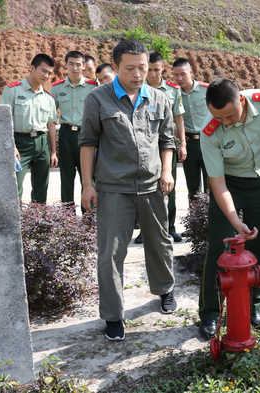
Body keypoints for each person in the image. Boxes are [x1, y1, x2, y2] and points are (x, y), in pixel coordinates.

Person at [78, 39, 178, 341]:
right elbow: (88, 143)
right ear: (116, 66)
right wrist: (86, 185)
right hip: (113, 188)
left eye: (143, 68)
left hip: (152, 185)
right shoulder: (98, 99)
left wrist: (167, 170)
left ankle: (164, 290)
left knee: (160, 243)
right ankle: (112, 315)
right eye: (130, 68)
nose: (137, 74)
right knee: (111, 253)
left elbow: (167, 141)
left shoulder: (159, 99)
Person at [198, 78, 260, 339]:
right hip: (230, 183)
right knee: (220, 245)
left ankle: (256, 305)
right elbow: (218, 185)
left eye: (230, 116)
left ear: (241, 100)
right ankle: (209, 312)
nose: (225, 123)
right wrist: (234, 220)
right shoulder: (208, 132)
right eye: (219, 118)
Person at [134, 51, 187, 244]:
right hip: (145, 147)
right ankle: (144, 230)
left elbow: (178, 118)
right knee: (144, 187)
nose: (153, 74)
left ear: (162, 68)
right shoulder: (137, 89)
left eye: (157, 69)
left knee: (169, 187)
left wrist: (182, 143)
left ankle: (170, 227)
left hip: (166, 146)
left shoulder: (173, 90)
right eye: (150, 70)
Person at [0, 53, 58, 203]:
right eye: (43, 70)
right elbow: (3, 121)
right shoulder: (12, 90)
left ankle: (38, 223)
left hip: (41, 143)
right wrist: (12, 146)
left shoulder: (49, 98)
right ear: (32, 68)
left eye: (50, 73)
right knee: (15, 185)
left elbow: (51, 125)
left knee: (41, 187)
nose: (46, 75)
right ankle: (15, 224)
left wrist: (53, 152)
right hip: (19, 143)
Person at [50, 51, 98, 213]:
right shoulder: (57, 88)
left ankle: (89, 217)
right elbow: (51, 116)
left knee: (88, 178)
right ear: (65, 65)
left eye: (78, 64)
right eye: (71, 63)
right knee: (67, 178)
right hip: (66, 135)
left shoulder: (93, 87)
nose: (75, 68)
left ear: (84, 66)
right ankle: (67, 218)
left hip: (87, 136)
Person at [172, 58, 209, 206]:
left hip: (208, 141)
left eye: (183, 74)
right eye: (175, 75)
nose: (179, 78)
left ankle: (211, 223)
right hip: (188, 144)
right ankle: (196, 224)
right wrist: (177, 133)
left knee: (211, 184)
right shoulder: (173, 93)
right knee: (193, 186)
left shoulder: (207, 90)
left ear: (191, 73)